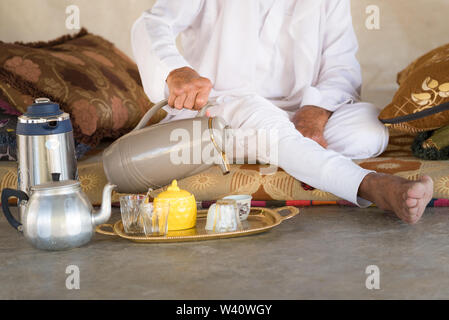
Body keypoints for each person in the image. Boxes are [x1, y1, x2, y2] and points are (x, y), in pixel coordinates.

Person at [132, 0, 434, 224]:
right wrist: (175, 70)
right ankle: (369, 184)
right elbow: (152, 23)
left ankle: (286, 150)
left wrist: (314, 111)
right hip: (219, 109)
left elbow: (341, 66)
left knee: (367, 129)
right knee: (263, 119)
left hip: (297, 111)